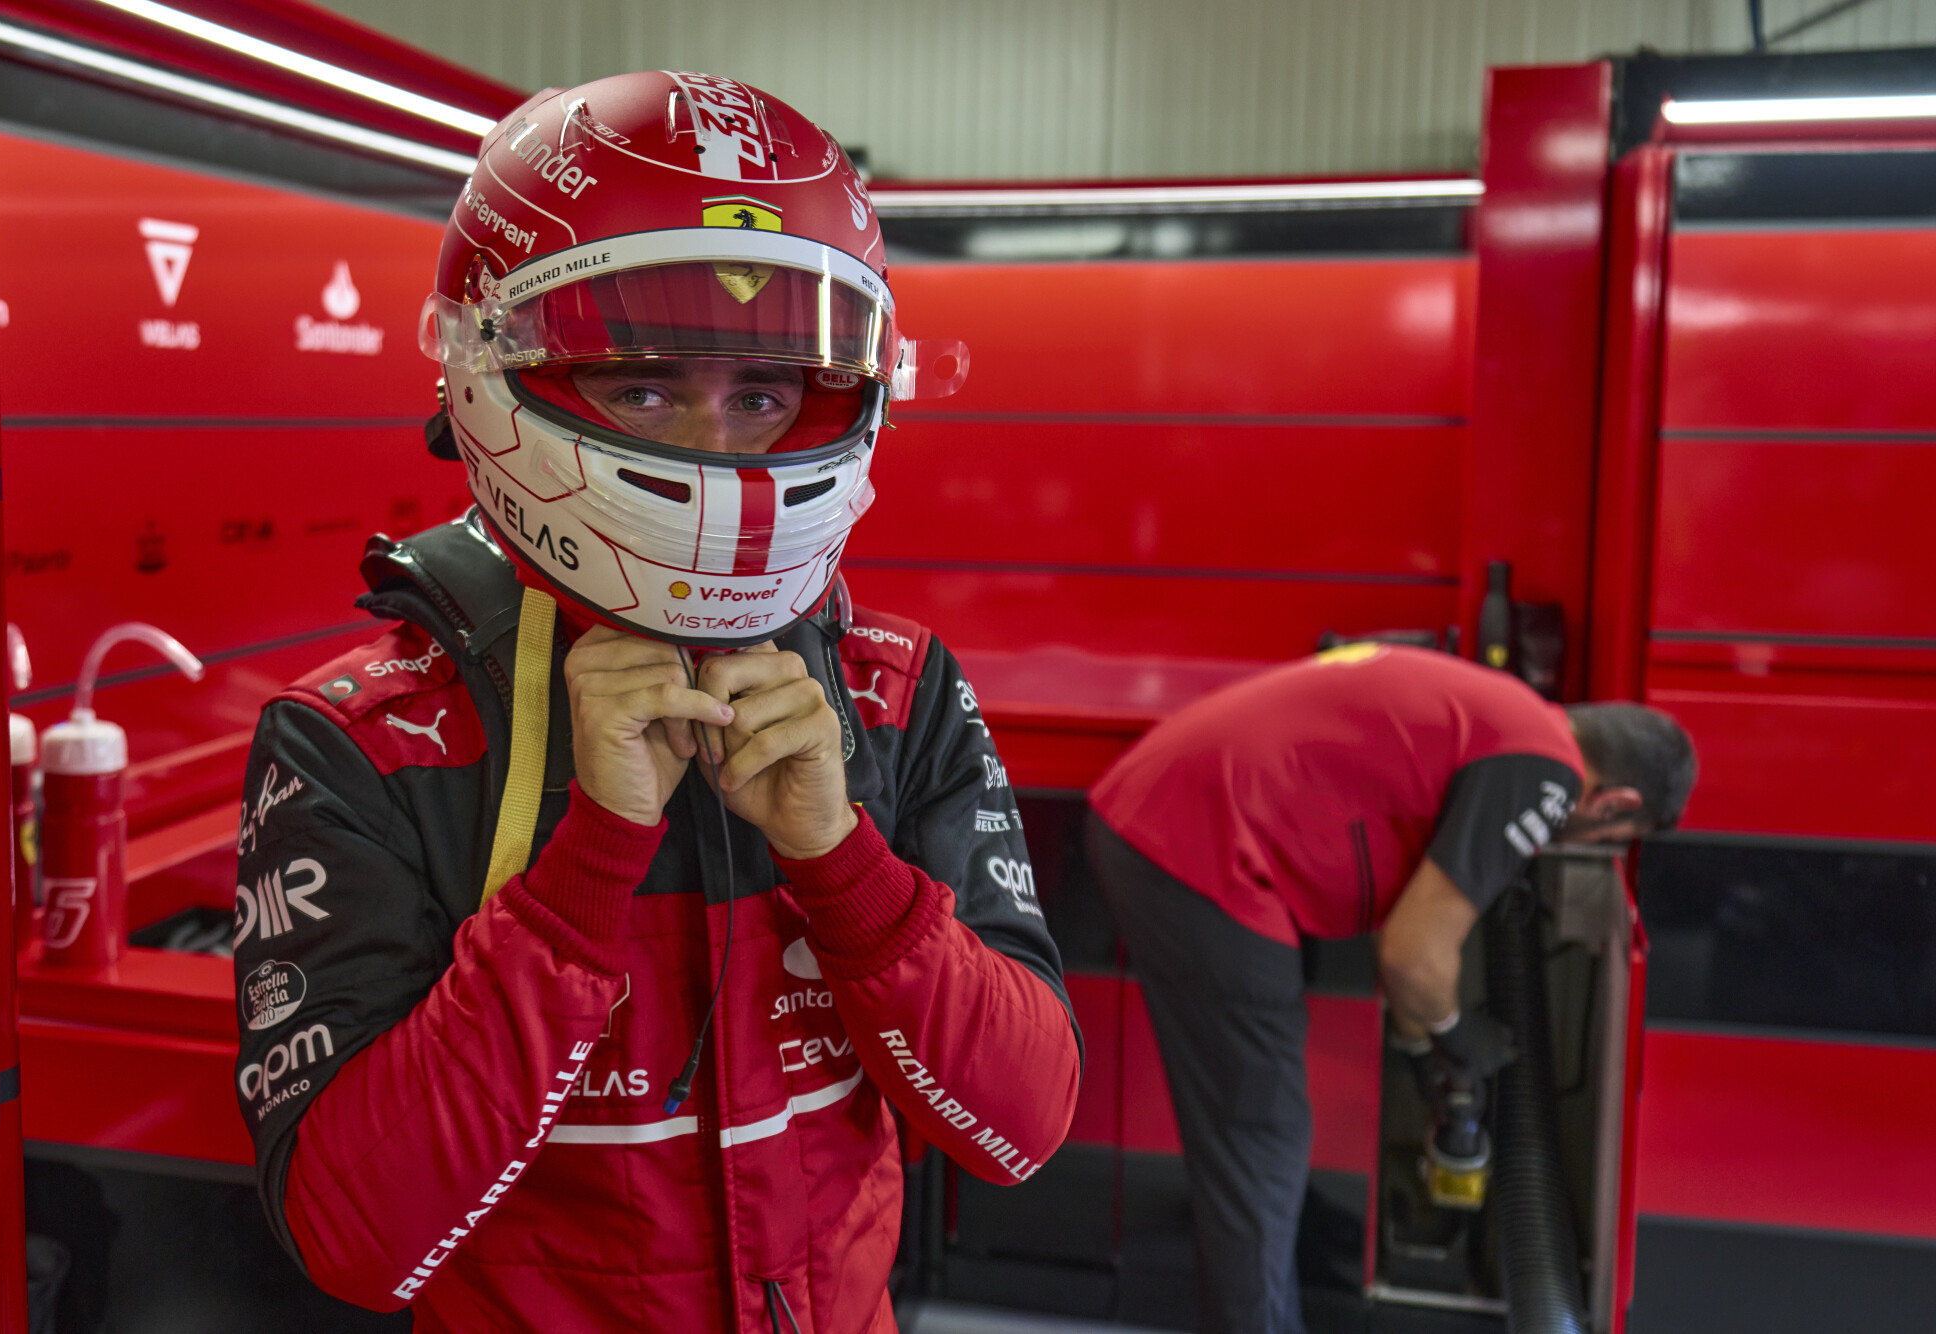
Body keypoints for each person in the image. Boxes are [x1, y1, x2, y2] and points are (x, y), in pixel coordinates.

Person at [231, 72, 1080, 1332]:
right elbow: (358, 1241)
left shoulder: (891, 692)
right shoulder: (364, 738)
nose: (719, 450)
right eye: (640, 387)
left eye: (763, 394)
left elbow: (1021, 1125)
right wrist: (584, 871)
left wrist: (841, 864)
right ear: (488, 367)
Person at [1084, 643, 1695, 1334]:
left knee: (1259, 1127)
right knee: (1260, 1134)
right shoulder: (1544, 772)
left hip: (1176, 820)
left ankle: (1272, 1263)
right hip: (1191, 848)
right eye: (1610, 835)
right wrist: (1452, 1033)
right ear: (1614, 804)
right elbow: (1413, 955)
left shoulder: (1509, 719)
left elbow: (1406, 932)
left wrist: (1426, 1031)